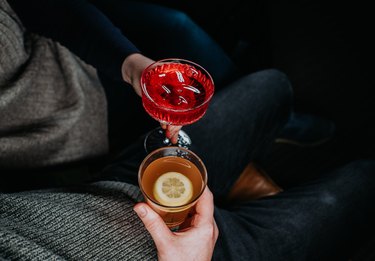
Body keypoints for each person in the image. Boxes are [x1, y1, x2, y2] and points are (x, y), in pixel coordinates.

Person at [1, 0, 374, 260]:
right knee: (362, 180)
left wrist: (132, 67)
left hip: (104, 192)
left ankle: (276, 133)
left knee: (272, 85)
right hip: (178, 255)